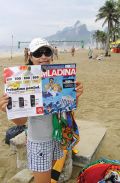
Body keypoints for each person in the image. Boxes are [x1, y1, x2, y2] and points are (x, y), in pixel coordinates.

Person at [0, 37, 83, 183]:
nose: (43, 56)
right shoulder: (21, 80)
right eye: (38, 53)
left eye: (47, 52)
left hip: (57, 136)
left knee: (49, 173)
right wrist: (8, 110)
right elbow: (21, 121)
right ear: (30, 56)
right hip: (39, 141)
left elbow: (67, 107)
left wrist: (75, 96)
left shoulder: (58, 77)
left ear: (52, 54)